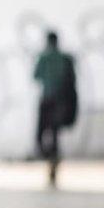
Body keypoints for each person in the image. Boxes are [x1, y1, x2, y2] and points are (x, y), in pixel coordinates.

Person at [33, 31, 77, 185]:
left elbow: (35, 76)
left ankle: (49, 158)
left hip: (46, 100)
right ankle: (53, 160)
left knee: (40, 134)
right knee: (55, 134)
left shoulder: (44, 58)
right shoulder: (65, 59)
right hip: (60, 102)